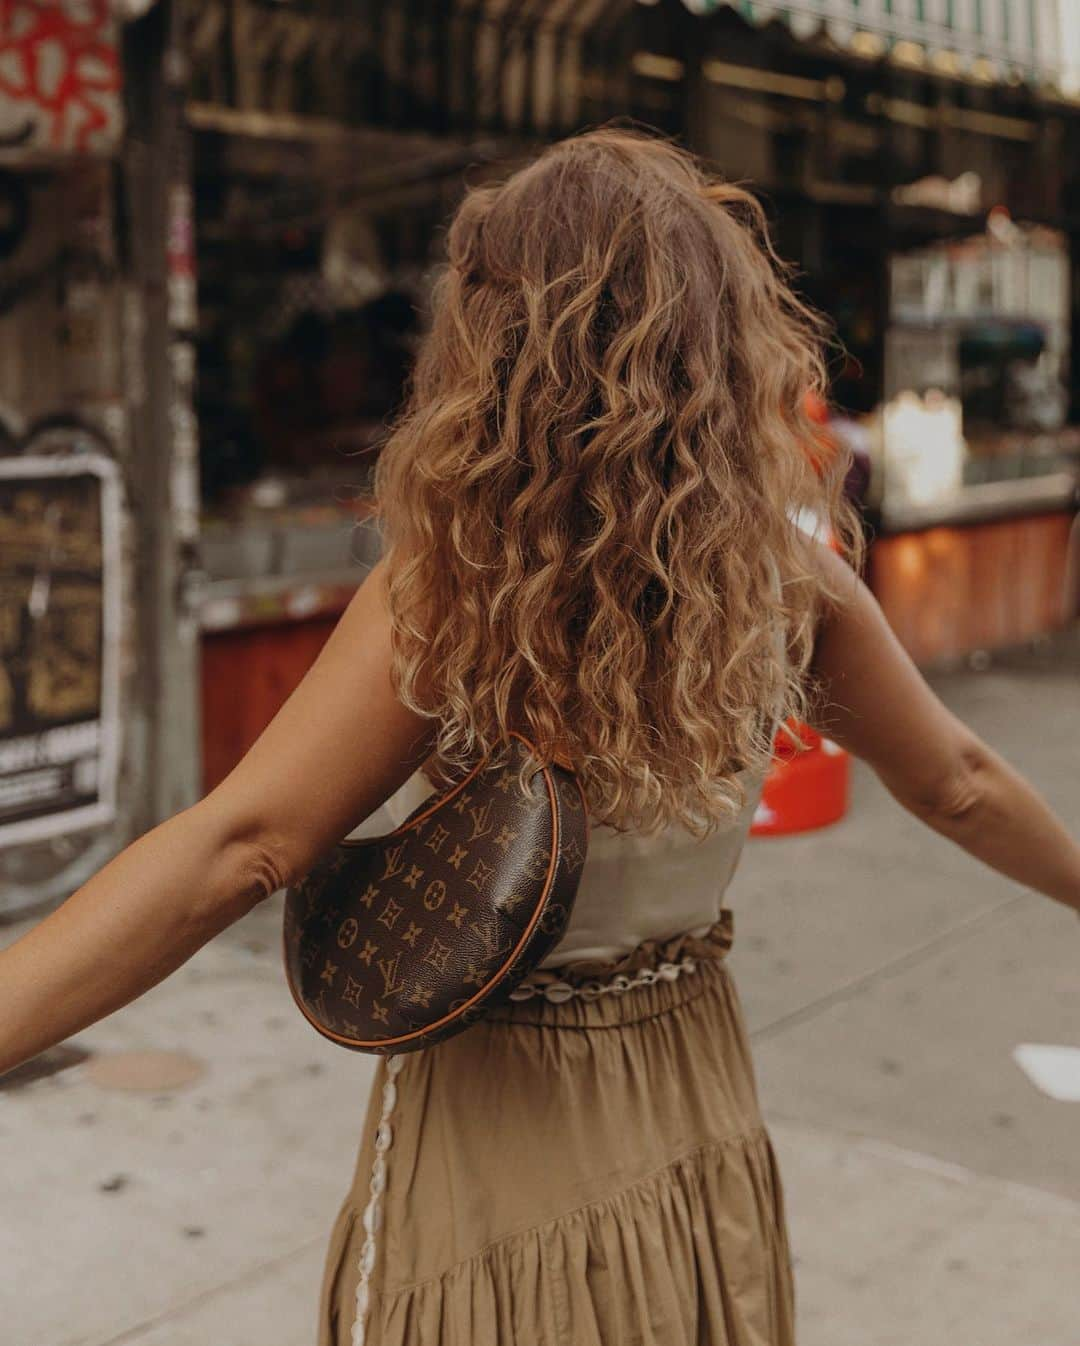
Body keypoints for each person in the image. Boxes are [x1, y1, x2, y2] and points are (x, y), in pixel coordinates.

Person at [2, 129, 1078, 1346]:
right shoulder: (785, 576)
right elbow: (961, 781)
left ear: (498, 344)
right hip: (688, 1073)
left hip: (505, 1107)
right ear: (722, 342)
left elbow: (243, 844)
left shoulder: (456, 585)